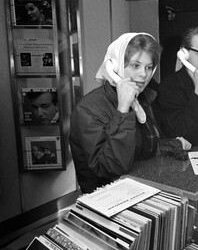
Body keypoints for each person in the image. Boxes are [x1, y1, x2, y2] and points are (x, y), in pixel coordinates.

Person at [69, 33, 191, 194]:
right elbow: (112, 167)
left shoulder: (143, 99)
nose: (144, 74)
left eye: (148, 67)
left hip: (141, 191)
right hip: (107, 200)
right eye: (135, 65)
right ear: (114, 66)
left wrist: (172, 145)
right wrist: (123, 109)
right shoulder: (89, 108)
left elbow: (138, 150)